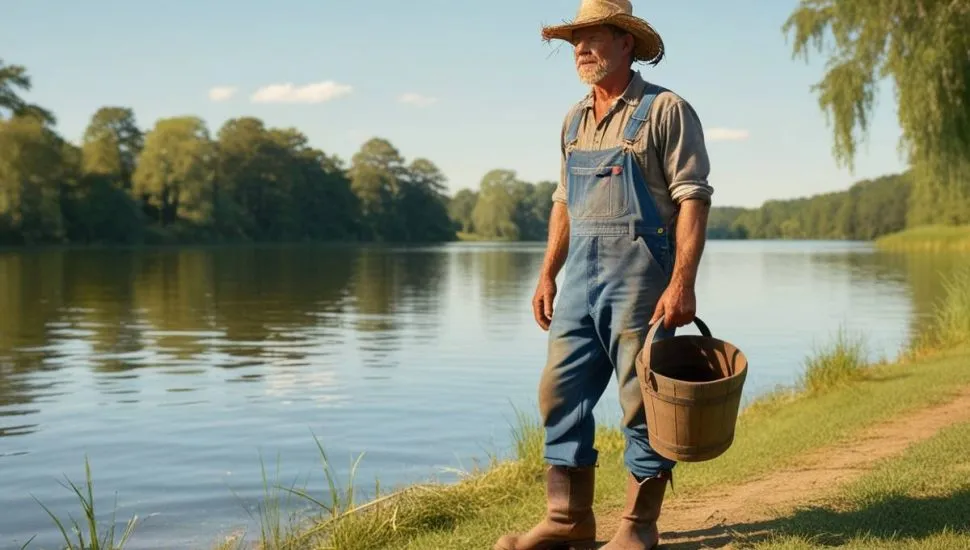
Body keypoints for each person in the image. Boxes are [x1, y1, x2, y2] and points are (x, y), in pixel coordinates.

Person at [493, 1, 713, 549]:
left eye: (593, 39)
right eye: (575, 42)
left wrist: (682, 281)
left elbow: (693, 199)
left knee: (644, 399)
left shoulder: (665, 110)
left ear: (626, 44)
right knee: (558, 392)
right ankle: (569, 520)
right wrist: (547, 275)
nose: (582, 50)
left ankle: (638, 528)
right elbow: (564, 201)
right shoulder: (573, 120)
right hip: (578, 284)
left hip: (642, 279)